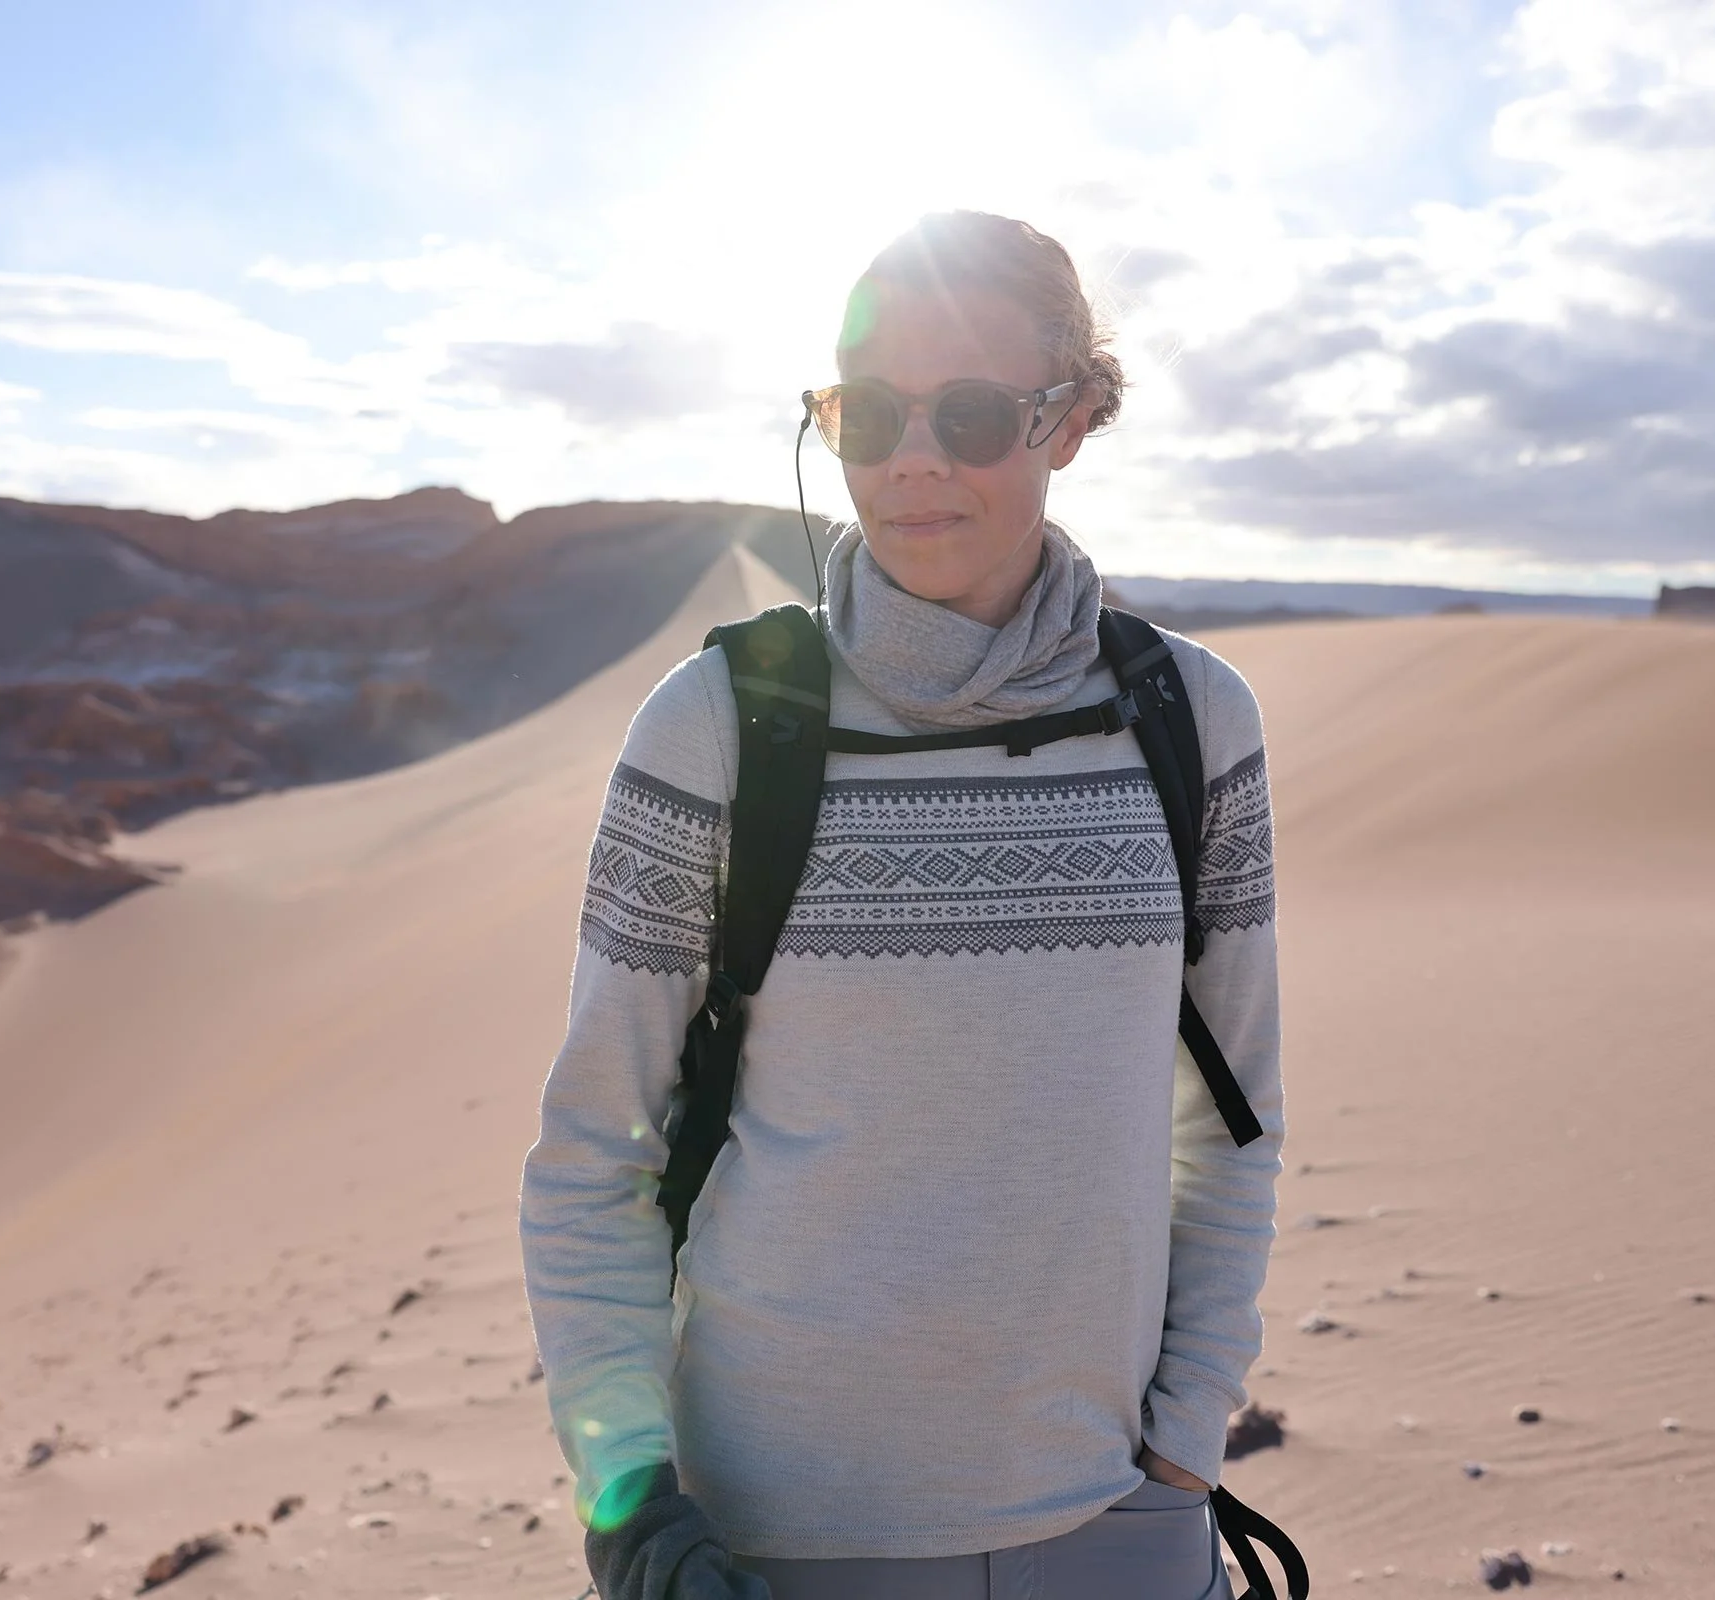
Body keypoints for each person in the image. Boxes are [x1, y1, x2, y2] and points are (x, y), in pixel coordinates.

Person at [520, 210, 1285, 1600]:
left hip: (1114, 1536)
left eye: (977, 414)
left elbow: (1231, 1126)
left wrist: (1178, 1459)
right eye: (868, 413)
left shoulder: (1191, 722)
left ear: (1077, 418)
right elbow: (591, 1159)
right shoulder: (714, 731)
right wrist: (633, 1506)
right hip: (765, 1550)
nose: (915, 460)